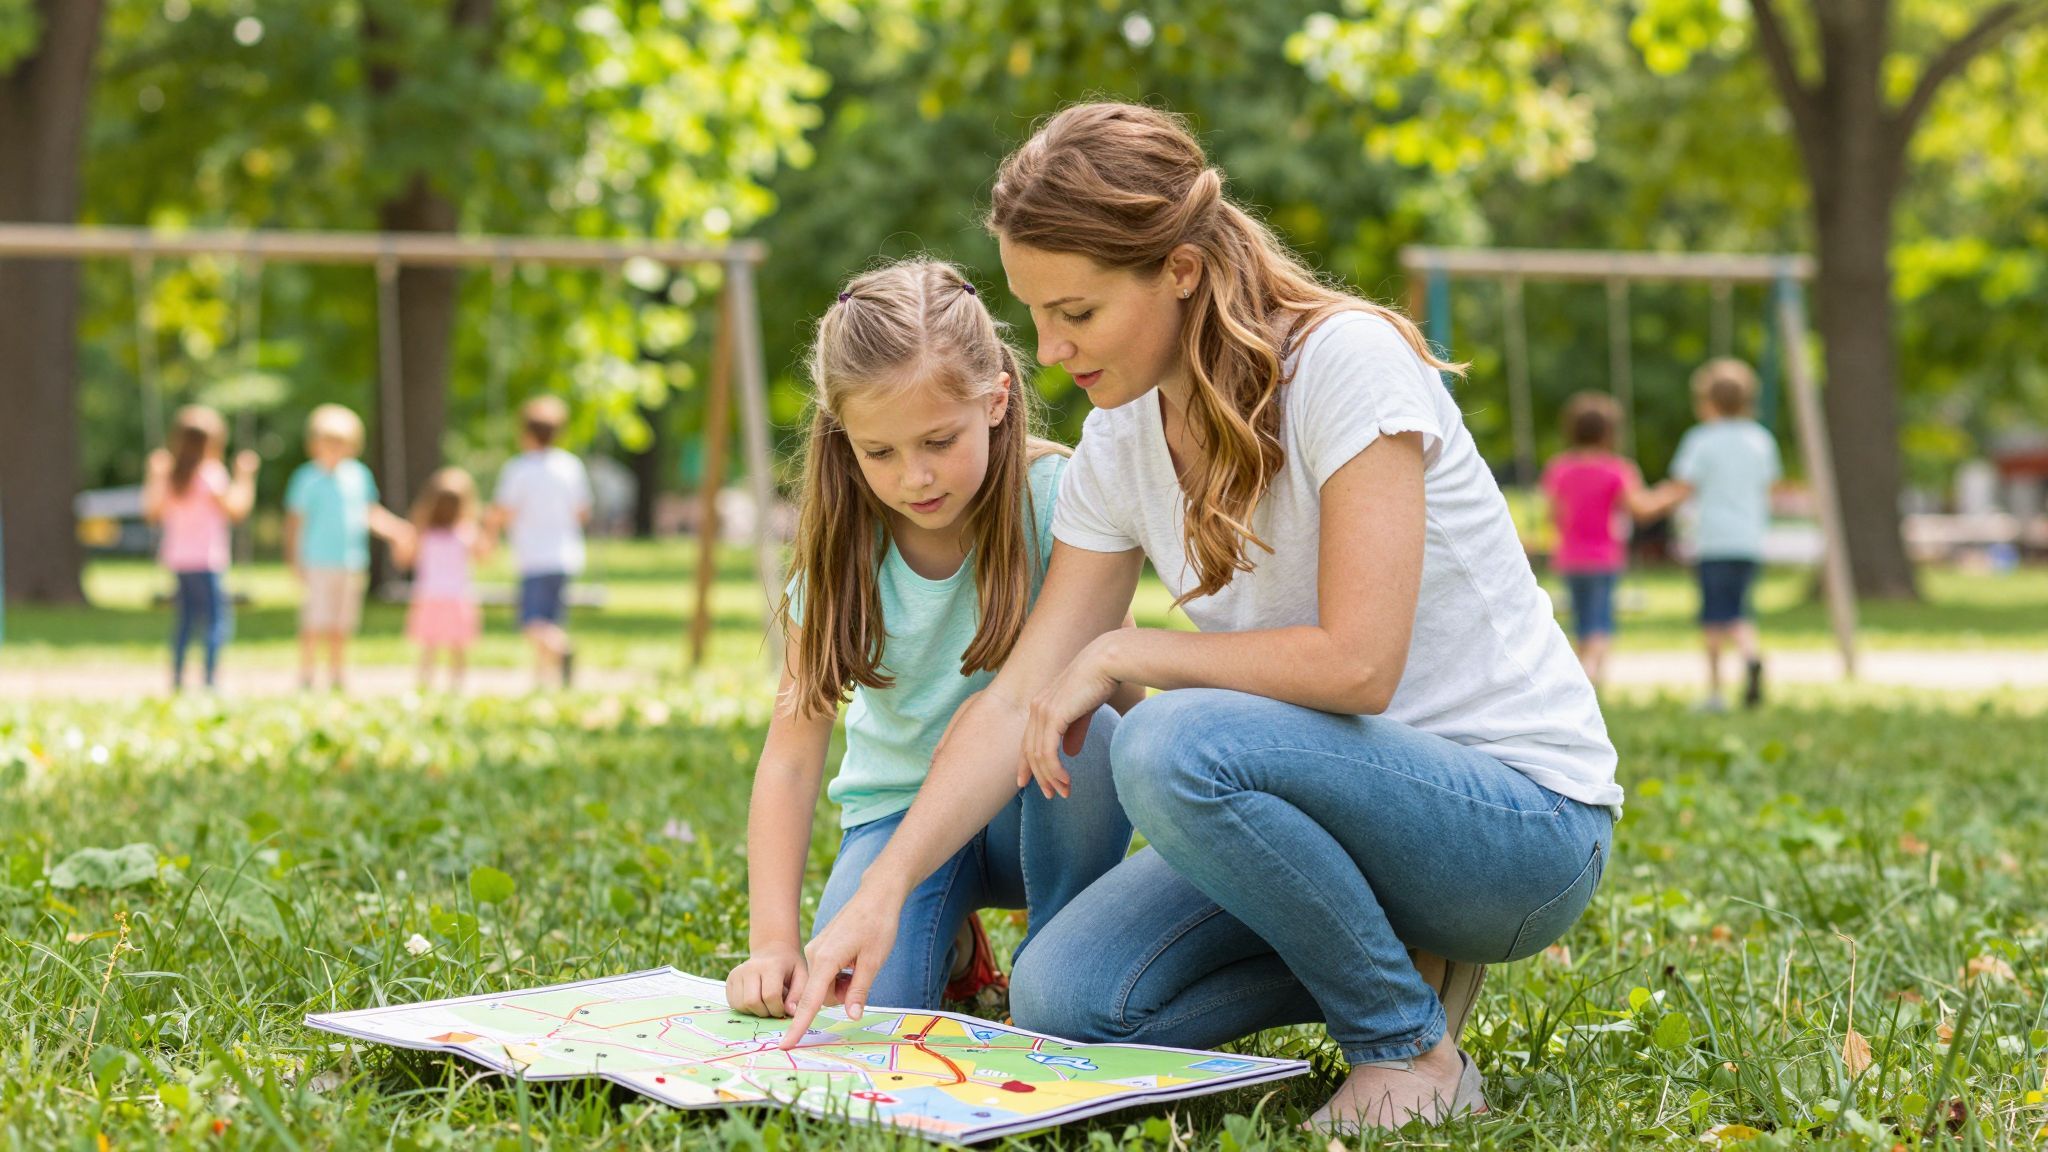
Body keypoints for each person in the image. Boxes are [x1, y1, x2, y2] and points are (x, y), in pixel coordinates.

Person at [781, 105, 1619, 1134]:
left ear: (1177, 270)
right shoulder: (1119, 441)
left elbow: (1358, 666)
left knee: (1172, 740)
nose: (1046, 351)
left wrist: (1131, 651)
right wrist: (888, 886)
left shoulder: (1342, 362)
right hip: (1334, 816)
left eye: (1076, 313)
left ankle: (1405, 1048)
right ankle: (1391, 957)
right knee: (1064, 997)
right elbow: (1015, 702)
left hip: (1516, 829)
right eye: (1034, 314)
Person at [724, 258, 1144, 1023]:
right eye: (878, 452)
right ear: (843, 435)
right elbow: (790, 758)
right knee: (862, 1017)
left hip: (1038, 805)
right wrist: (770, 940)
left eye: (938, 440)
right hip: (896, 821)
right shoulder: (838, 555)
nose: (914, 476)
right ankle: (952, 950)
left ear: (996, 399)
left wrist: (1041, 702)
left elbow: (1126, 695)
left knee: (1095, 731)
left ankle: (1054, 965)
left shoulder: (1061, 502)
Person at [1664, 358, 1781, 710]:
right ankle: (1751, 655)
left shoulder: (1702, 440)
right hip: (1749, 539)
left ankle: (1715, 692)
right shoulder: (1761, 439)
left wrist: (1652, 506)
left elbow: (1682, 486)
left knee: (1713, 616)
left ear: (1708, 401)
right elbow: (1769, 485)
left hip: (1713, 539)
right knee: (1739, 610)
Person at [1539, 392, 1676, 685]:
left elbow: (1552, 514)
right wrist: (1669, 495)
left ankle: (1581, 679)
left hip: (1571, 557)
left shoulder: (1560, 468)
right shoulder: (1617, 469)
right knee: (1600, 622)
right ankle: (1593, 674)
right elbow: (1641, 509)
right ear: (1610, 432)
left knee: (1580, 622)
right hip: (1604, 557)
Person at [284, 404, 410, 693]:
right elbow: (294, 523)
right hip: (317, 560)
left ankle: (337, 674)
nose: (335, 449)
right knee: (314, 621)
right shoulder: (307, 479)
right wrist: (294, 559)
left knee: (342, 623)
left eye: (342, 443)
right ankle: (306, 674)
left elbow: (370, 513)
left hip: (351, 560)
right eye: (328, 442)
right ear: (314, 444)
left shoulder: (358, 476)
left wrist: (397, 530)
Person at [141, 405, 258, 691]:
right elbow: (237, 509)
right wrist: (246, 475)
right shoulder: (211, 474)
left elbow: (151, 511)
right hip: (207, 561)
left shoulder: (171, 475)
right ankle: (210, 679)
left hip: (179, 560)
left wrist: (154, 475)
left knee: (185, 621)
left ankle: (178, 677)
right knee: (217, 622)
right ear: (214, 442)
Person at [488, 396, 590, 690]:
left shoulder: (519, 469)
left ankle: (562, 650)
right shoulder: (570, 466)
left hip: (533, 554)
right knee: (551, 619)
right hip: (565, 554)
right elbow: (582, 511)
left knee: (532, 621)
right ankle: (543, 679)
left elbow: (504, 510)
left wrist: (490, 532)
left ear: (526, 433)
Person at [394, 467, 488, 693]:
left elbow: (403, 559)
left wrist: (400, 539)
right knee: (458, 647)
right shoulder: (466, 533)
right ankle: (457, 687)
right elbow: (484, 555)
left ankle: (424, 686)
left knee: (429, 646)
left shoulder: (423, 534)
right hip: (457, 597)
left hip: (430, 596)